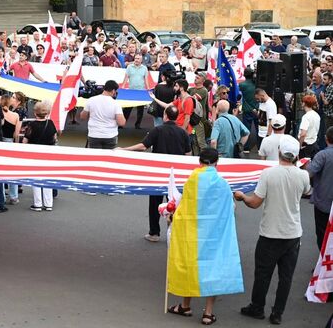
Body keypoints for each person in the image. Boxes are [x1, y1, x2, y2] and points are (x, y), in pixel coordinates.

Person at [234, 135, 310, 325]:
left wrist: (243, 196)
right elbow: (306, 191)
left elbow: (255, 203)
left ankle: (257, 307)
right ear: (296, 155)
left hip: (270, 233)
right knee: (286, 277)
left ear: (279, 153)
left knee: (263, 273)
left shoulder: (269, 174)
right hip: (293, 233)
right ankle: (277, 312)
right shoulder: (303, 175)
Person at [167, 147, 244, 326]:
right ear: (217, 163)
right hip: (215, 235)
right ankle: (208, 313)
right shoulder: (223, 183)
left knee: (191, 265)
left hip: (193, 233)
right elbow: (231, 208)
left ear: (199, 161)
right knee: (213, 268)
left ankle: (185, 305)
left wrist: (172, 217)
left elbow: (184, 208)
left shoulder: (192, 180)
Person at [119, 106, 191, 242]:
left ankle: (154, 233)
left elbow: (143, 146)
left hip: (159, 172)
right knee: (175, 202)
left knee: (154, 203)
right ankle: (176, 232)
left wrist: (124, 149)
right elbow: (188, 154)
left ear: (165, 116)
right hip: (176, 174)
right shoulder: (183, 133)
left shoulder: (158, 130)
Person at [23, 101, 58, 211]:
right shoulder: (51, 123)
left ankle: (37, 203)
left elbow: (25, 141)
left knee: (36, 178)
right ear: (46, 113)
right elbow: (55, 138)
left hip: (35, 155)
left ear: (35, 113)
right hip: (48, 154)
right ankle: (48, 203)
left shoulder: (31, 125)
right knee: (47, 177)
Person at [307, 127, 333, 251]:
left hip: (324, 202)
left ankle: (324, 264)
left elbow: (309, 173)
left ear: (326, 138)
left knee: (322, 234)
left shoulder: (322, 155)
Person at [80, 80, 125, 149]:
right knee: (108, 157)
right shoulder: (116, 104)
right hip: (110, 135)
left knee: (94, 157)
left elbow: (83, 117)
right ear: (113, 91)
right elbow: (121, 122)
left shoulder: (91, 100)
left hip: (94, 134)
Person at [0, 94, 21, 204]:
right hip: (9, 142)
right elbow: (16, 134)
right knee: (12, 170)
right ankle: (14, 196)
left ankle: (1, 196)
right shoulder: (15, 115)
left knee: (0, 170)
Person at [123, 54, 148, 130]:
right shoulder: (129, 67)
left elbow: (146, 79)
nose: (136, 60)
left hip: (141, 91)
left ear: (141, 60)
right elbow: (126, 78)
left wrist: (148, 89)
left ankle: (138, 125)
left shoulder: (144, 68)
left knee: (140, 110)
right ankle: (122, 123)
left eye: (138, 59)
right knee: (127, 108)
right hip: (131, 91)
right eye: (135, 58)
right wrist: (123, 87)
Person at [239, 68, 258, 153]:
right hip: (257, 110)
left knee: (247, 129)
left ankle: (246, 148)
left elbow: (238, 95)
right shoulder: (257, 84)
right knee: (259, 129)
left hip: (247, 110)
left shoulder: (242, 85)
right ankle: (260, 147)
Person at [298, 94, 321, 159]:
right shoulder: (317, 115)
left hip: (305, 146)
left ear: (304, 103)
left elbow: (303, 134)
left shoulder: (306, 117)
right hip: (314, 144)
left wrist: (299, 146)